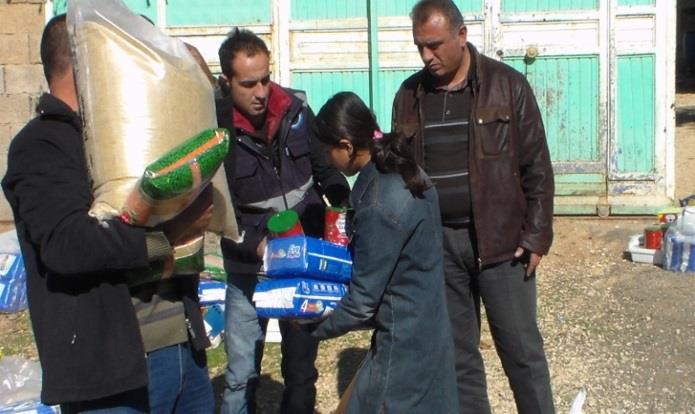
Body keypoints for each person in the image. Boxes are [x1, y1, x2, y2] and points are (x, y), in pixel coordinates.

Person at [2, 14, 215, 413]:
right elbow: (67, 244)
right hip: (112, 379)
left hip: (183, 352)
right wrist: (165, 238)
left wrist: (204, 93)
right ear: (89, 59)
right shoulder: (41, 145)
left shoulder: (132, 130)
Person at [391, 1, 556, 413]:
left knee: (522, 355)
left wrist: (536, 235)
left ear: (462, 36)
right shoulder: (408, 96)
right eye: (420, 47)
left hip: (502, 247)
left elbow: (537, 165)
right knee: (457, 357)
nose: (427, 56)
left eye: (434, 45)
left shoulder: (508, 86)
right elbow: (398, 170)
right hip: (438, 247)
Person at [215, 29, 350, 414]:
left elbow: (326, 169)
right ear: (227, 81)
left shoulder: (295, 111)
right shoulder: (215, 132)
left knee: (301, 370)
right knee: (241, 374)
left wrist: (340, 203)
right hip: (249, 270)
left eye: (265, 79)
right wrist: (255, 245)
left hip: (302, 266)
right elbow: (218, 211)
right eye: (248, 84)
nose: (260, 92)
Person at [310, 92, 458, 413]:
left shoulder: (378, 203)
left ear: (346, 146)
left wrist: (310, 327)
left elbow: (362, 302)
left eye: (327, 150)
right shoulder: (408, 170)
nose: (325, 158)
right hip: (431, 327)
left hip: (402, 343)